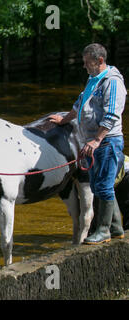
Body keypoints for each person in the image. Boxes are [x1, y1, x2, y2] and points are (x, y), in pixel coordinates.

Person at [49, 43, 126, 244]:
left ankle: (103, 231)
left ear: (99, 61)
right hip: (93, 142)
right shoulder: (93, 79)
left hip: (107, 142)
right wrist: (64, 120)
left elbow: (111, 115)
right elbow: (80, 104)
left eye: (86, 62)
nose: (84, 66)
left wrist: (96, 140)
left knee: (104, 185)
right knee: (98, 183)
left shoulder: (113, 82)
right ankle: (116, 228)